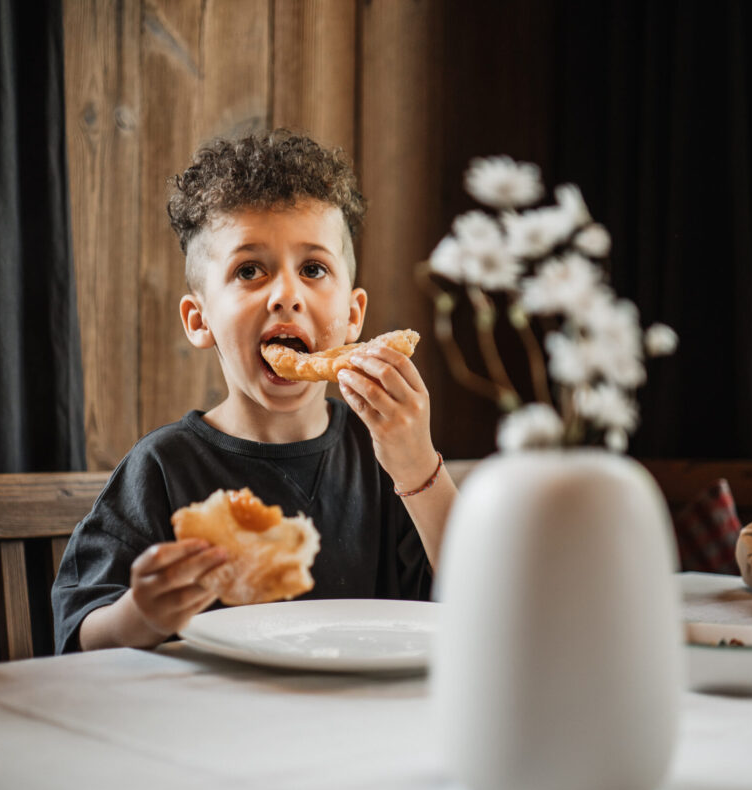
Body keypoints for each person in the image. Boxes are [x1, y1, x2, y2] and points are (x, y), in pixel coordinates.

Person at [52, 130, 457, 653]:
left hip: (361, 721)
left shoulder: (383, 456)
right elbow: (79, 634)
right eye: (249, 270)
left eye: (313, 268)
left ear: (353, 315)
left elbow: (478, 600)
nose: (286, 294)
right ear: (200, 320)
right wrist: (140, 617)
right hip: (214, 722)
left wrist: (417, 465)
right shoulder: (162, 468)